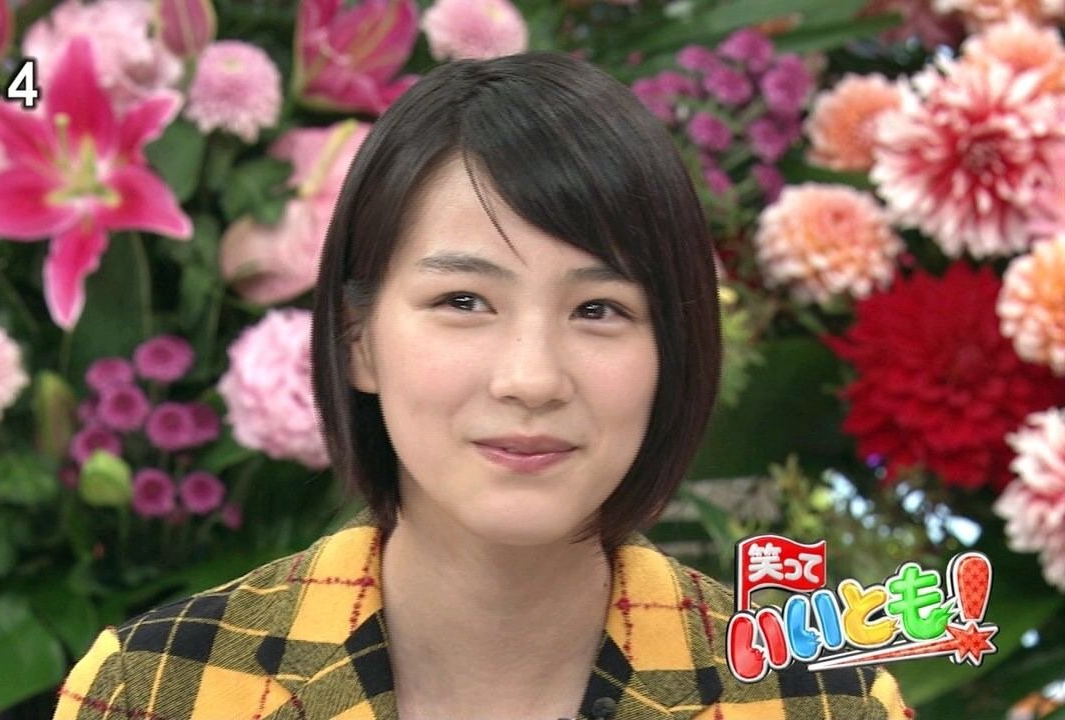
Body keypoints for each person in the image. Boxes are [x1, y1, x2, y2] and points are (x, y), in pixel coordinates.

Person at [52, 52, 912, 720]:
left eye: (600, 310)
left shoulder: (822, 703)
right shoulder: (156, 689)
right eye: (463, 301)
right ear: (357, 340)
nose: (531, 378)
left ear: (674, 349)